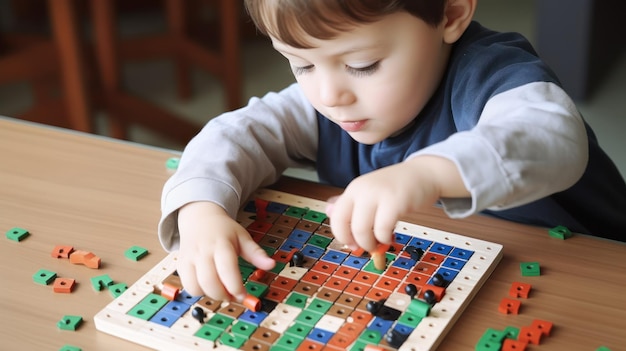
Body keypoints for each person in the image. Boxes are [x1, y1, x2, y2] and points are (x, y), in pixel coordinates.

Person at [158, 0, 626, 302]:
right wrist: (200, 209)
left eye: (363, 65)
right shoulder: (330, 102)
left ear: (451, 14)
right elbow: (236, 134)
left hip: (591, 283)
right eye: (300, 65)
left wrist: (425, 174)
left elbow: (554, 138)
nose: (328, 95)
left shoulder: (491, 74)